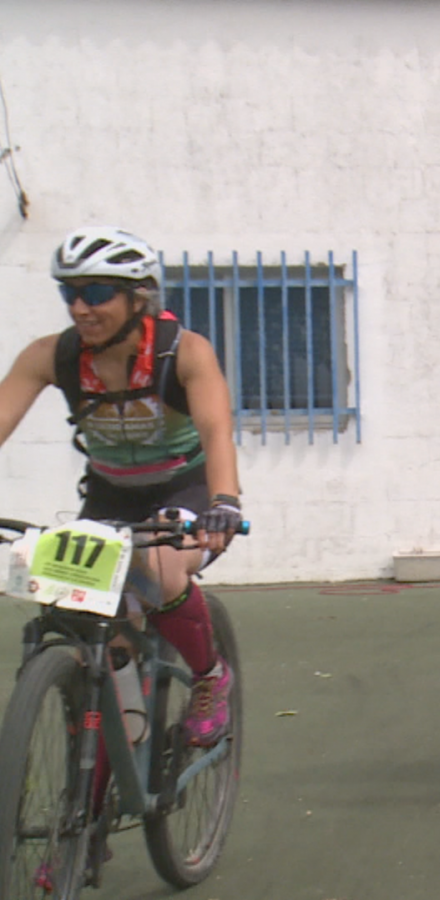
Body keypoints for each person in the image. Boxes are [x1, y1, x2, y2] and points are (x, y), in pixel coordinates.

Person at [0, 226, 245, 746]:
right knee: (89, 629)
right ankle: (102, 768)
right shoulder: (52, 355)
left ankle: (210, 676)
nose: (80, 308)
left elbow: (217, 431)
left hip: (186, 490)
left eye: (95, 293)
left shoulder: (184, 353)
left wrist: (224, 502)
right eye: (70, 293)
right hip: (109, 495)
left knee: (156, 569)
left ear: (139, 299)